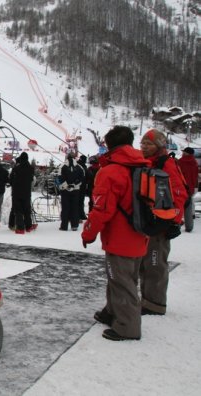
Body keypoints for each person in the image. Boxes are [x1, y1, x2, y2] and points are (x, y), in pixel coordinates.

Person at [81, 125, 150, 341]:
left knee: (121, 280)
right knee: (125, 277)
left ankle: (127, 326)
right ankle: (112, 311)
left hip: (120, 237)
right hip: (141, 233)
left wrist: (88, 233)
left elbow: (102, 209)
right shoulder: (143, 166)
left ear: (108, 145)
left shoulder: (111, 172)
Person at [139, 129, 187, 316]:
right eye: (142, 143)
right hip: (149, 221)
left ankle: (155, 304)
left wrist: (174, 222)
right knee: (147, 263)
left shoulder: (166, 164)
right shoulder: (149, 163)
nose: (144, 147)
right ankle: (148, 299)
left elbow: (179, 194)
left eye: (148, 144)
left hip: (160, 222)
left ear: (159, 146)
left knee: (155, 263)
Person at [58, 152, 85, 231]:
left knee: (65, 207)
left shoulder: (62, 166)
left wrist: (66, 185)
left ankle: (64, 226)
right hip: (76, 190)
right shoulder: (79, 167)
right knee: (74, 207)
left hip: (65, 190)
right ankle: (74, 225)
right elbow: (82, 178)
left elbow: (60, 177)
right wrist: (75, 184)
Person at [9, 152, 34, 234]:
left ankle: (20, 228)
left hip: (17, 192)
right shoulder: (31, 168)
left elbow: (11, 180)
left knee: (18, 210)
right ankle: (28, 226)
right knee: (27, 210)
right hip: (27, 192)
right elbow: (31, 179)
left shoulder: (16, 168)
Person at [178, 147, 198, 232]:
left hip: (181, 187)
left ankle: (176, 224)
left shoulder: (181, 162)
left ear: (187, 153)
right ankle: (189, 227)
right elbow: (196, 176)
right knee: (188, 208)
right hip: (190, 188)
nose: (182, 153)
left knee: (178, 206)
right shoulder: (194, 162)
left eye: (184, 152)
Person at [77, 154, 88, 220]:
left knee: (77, 200)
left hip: (77, 186)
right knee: (81, 201)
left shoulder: (77, 165)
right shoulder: (83, 167)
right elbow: (88, 176)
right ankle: (81, 214)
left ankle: (78, 214)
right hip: (82, 186)